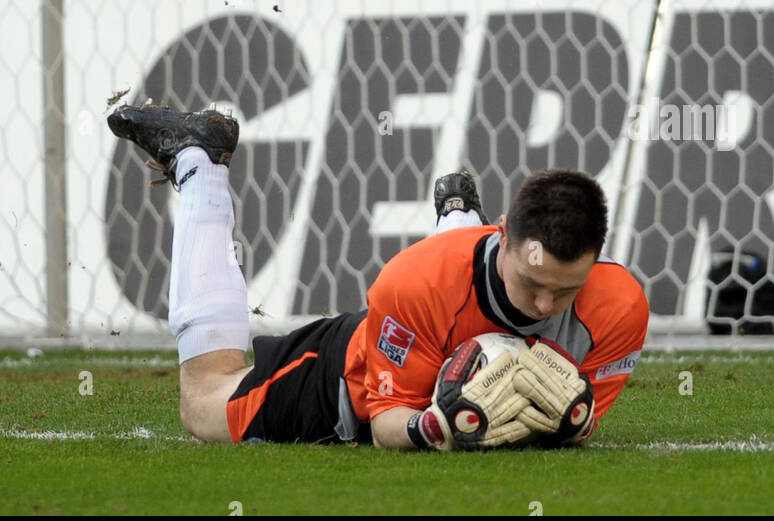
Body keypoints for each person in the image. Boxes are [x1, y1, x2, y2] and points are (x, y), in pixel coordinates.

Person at [106, 101, 649, 451]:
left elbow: (578, 423)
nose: (543, 306)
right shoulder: (411, 282)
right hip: (345, 380)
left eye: (565, 289)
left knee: (452, 289)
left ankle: (457, 218)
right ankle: (200, 164)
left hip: (440, 308)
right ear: (502, 234)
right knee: (203, 404)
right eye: (532, 284)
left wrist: (568, 425)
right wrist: (435, 426)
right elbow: (388, 426)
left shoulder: (620, 308)